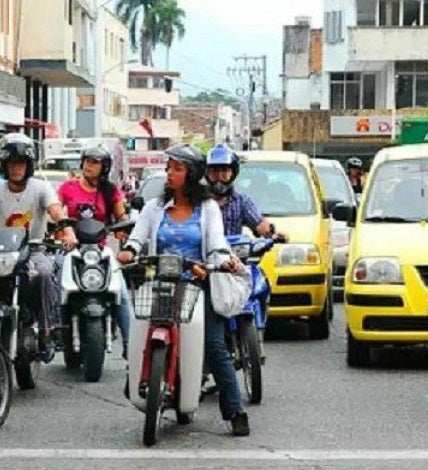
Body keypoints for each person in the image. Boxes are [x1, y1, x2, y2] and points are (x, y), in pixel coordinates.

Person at [117, 144, 251, 436]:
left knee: (215, 345)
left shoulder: (208, 209)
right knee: (138, 329)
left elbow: (216, 243)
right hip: (159, 284)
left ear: (191, 175)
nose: (170, 174)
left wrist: (216, 262)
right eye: (169, 168)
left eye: (177, 169)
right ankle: (140, 378)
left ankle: (234, 411)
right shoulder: (154, 208)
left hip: (196, 286)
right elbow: (137, 238)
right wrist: (129, 250)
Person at [0, 133, 78, 360]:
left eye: (20, 163)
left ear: (29, 165)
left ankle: (46, 330)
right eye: (11, 163)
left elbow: (55, 210)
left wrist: (67, 231)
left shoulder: (41, 188)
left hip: (34, 250)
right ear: (3, 165)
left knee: (43, 273)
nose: (16, 168)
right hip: (2, 255)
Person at [57, 146, 131, 358]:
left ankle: (131, 346)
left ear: (104, 167)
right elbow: (55, 211)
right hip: (71, 249)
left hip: (100, 251)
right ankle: (51, 331)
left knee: (122, 293)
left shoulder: (111, 191)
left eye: (95, 162)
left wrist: (123, 230)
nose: (89, 166)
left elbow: (121, 217)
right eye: (87, 161)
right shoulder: (67, 187)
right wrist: (59, 229)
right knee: (55, 280)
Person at [204, 144, 285, 239]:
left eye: (224, 171)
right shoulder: (197, 202)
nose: (219, 176)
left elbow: (259, 223)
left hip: (232, 252)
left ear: (232, 173)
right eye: (214, 171)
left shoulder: (241, 202)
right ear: (207, 174)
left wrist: (273, 234)